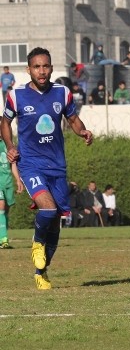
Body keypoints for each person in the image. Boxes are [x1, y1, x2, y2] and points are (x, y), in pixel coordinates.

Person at [0, 47, 93, 289]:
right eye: (37, 67)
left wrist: (82, 130)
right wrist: (10, 146)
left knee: (55, 225)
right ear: (28, 69)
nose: (42, 71)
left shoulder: (62, 93)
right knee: (48, 210)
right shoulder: (16, 95)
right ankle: (36, 243)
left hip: (57, 167)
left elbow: (73, 119)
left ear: (51, 68)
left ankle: (41, 272)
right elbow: (5, 122)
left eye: (46, 66)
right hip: (30, 164)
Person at [0, 139, 23, 248]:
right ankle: (4, 239)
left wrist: (18, 180)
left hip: (8, 182)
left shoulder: (8, 145)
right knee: (1, 207)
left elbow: (13, 164)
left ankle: (1, 236)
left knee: (6, 210)